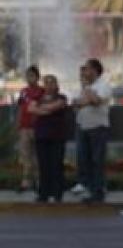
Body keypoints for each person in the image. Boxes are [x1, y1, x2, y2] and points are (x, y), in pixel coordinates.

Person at [72, 58, 111, 203]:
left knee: (97, 160)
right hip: (83, 126)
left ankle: (98, 191)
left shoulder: (103, 85)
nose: (84, 71)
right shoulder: (84, 87)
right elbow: (76, 103)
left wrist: (87, 92)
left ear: (95, 70)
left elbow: (96, 101)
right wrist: (83, 99)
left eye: (86, 68)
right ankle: (90, 189)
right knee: (84, 159)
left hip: (98, 127)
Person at [30, 75, 69, 203]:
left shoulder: (62, 97)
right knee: (43, 165)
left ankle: (57, 194)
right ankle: (44, 194)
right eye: (46, 83)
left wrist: (41, 109)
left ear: (56, 84)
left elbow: (55, 107)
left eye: (52, 82)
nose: (49, 85)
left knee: (56, 165)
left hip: (57, 136)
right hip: (41, 136)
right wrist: (44, 109)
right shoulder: (38, 98)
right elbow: (31, 108)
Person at [16, 65, 43, 194]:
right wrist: (19, 123)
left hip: (37, 127)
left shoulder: (41, 92)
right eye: (27, 76)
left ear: (37, 77)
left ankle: (39, 181)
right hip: (24, 127)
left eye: (32, 75)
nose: (29, 78)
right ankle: (26, 182)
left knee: (37, 155)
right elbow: (21, 107)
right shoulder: (23, 91)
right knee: (25, 155)